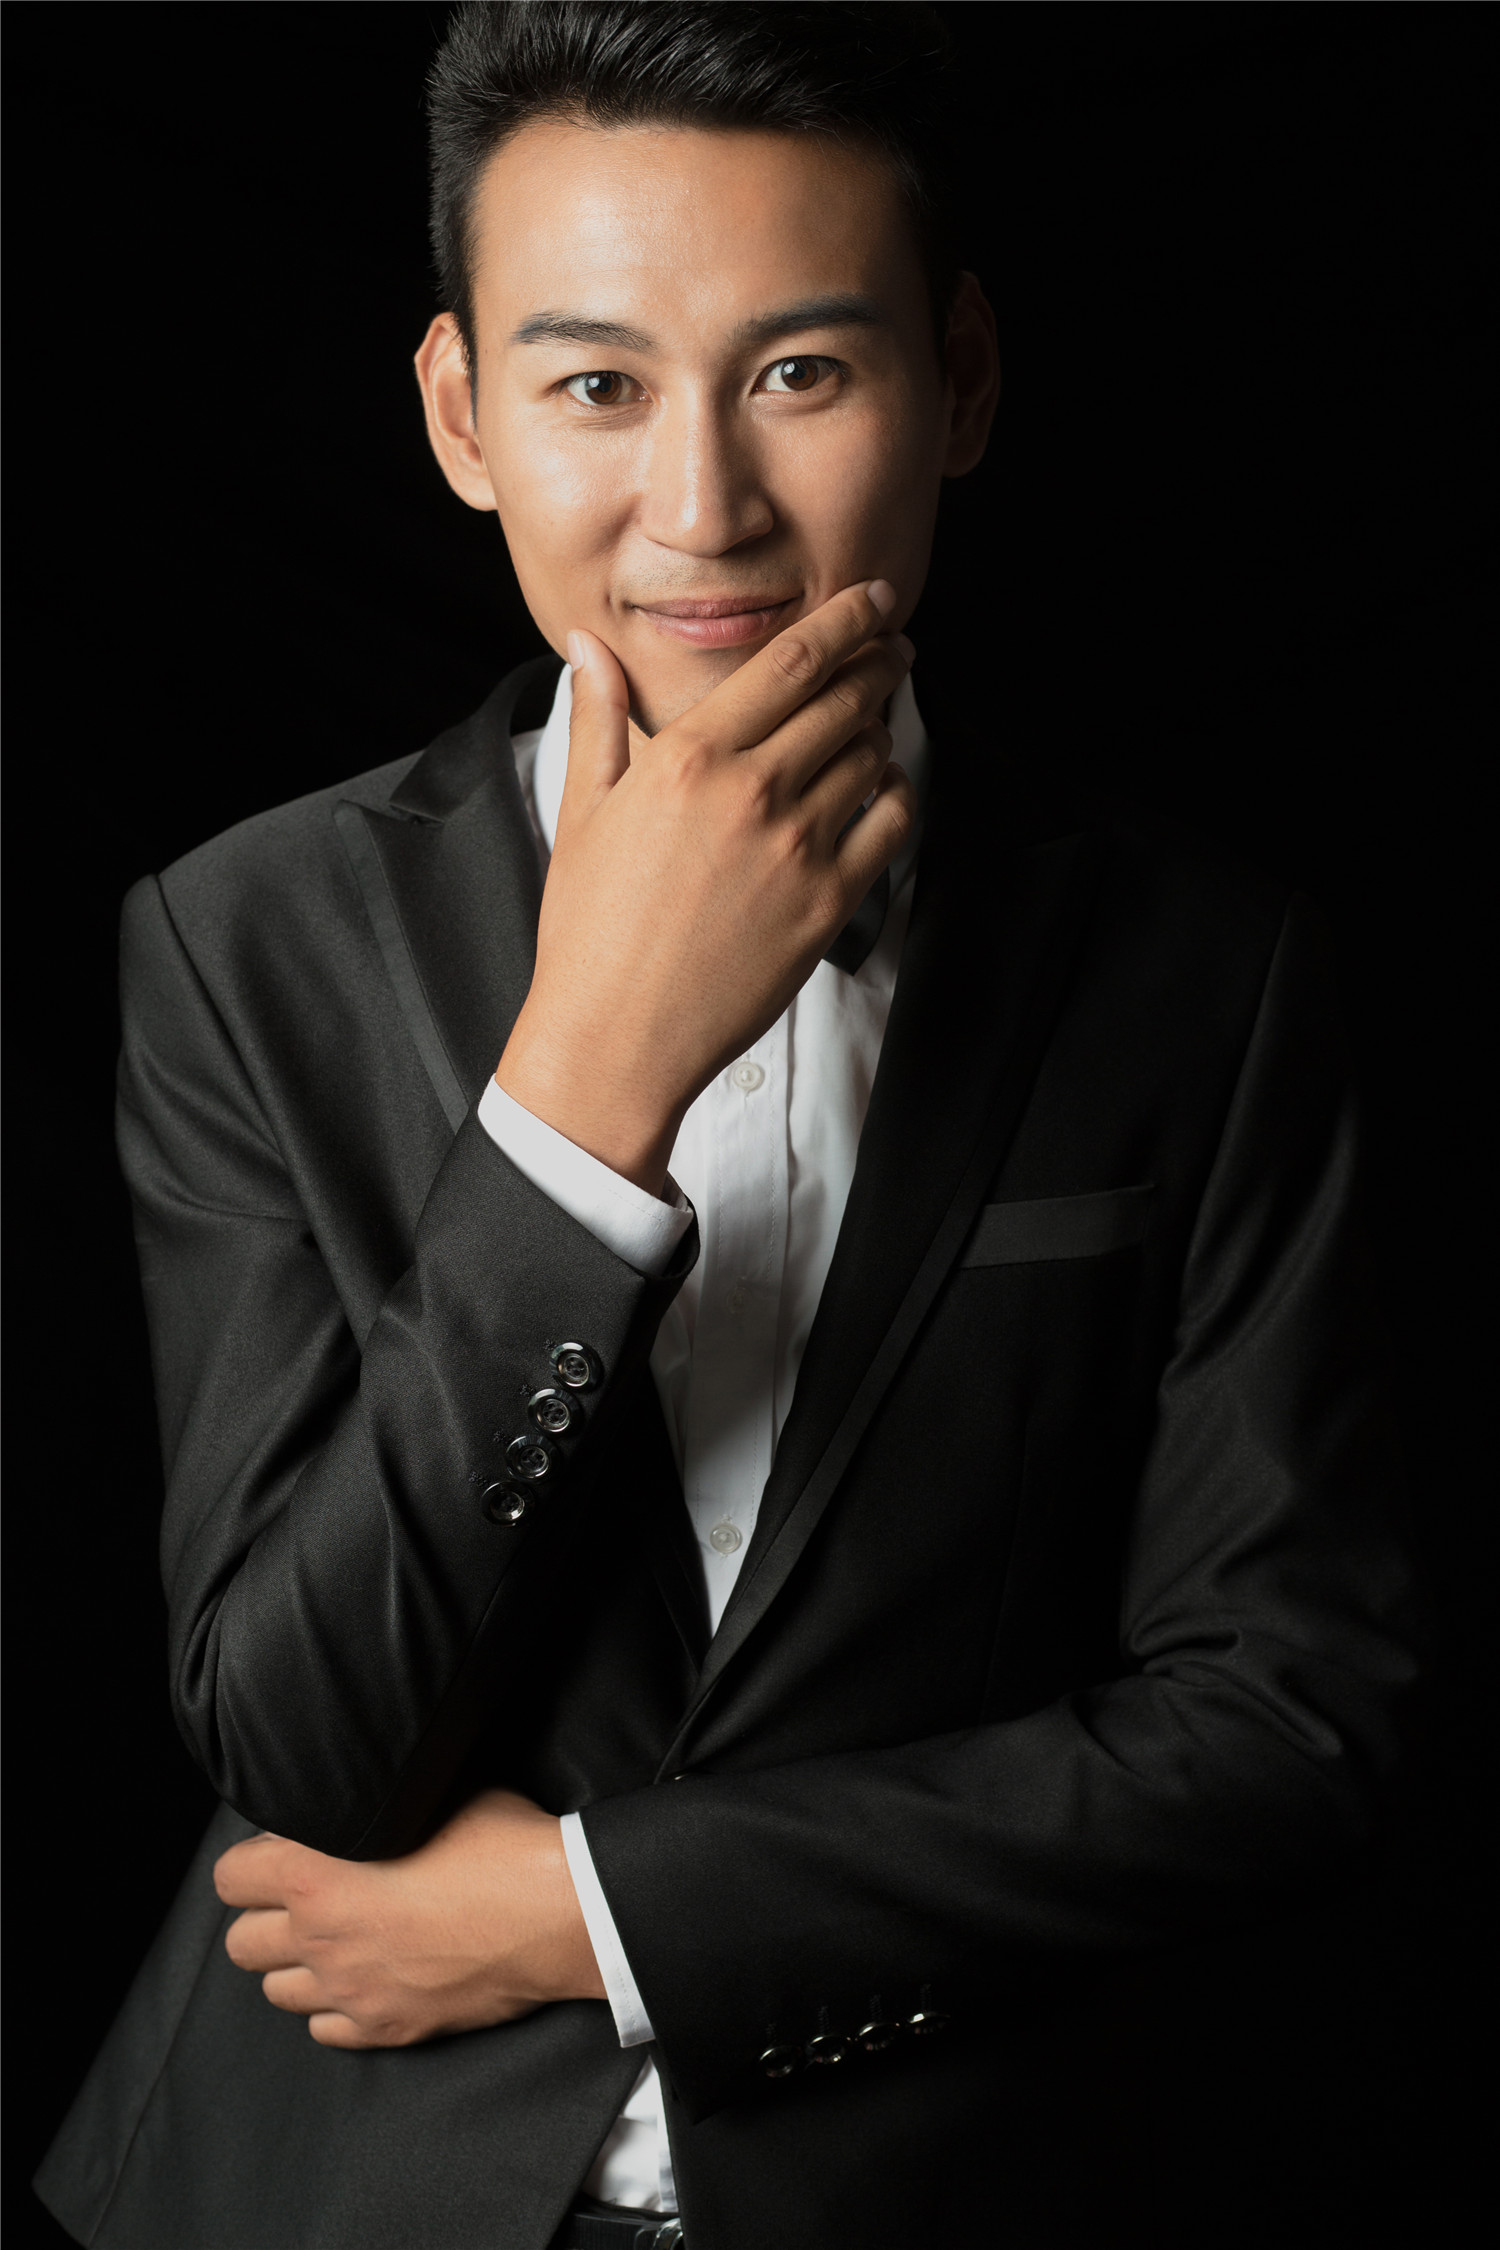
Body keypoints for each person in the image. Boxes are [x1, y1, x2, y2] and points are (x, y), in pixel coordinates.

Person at [36, 5, 1420, 2246]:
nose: (704, 509)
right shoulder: (242, 939)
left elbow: (1294, 1719)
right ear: (461, 418)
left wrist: (603, 1911)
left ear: (961, 379)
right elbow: (297, 1739)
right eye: (596, 386)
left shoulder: (1204, 972)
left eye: (799, 371)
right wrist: (587, 1089)